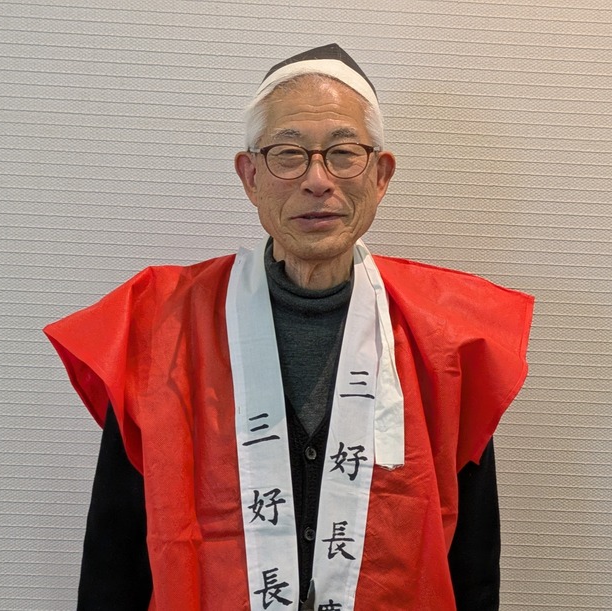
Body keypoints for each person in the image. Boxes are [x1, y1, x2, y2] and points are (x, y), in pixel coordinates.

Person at [44, 44, 534, 611]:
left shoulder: (445, 339)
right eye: (288, 154)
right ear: (250, 175)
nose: (318, 180)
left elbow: (472, 563)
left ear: (381, 175)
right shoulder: (161, 328)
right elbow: (115, 559)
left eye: (344, 153)